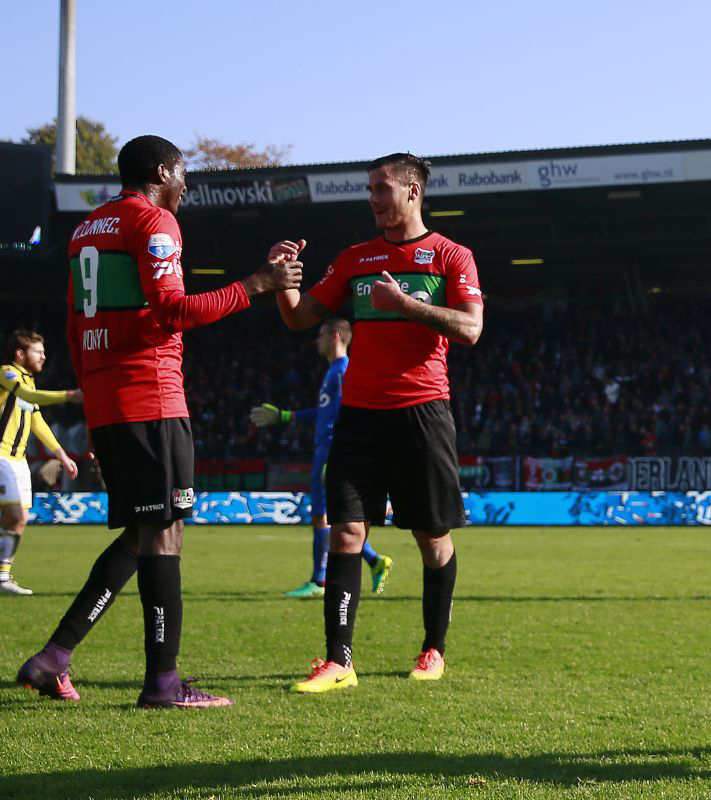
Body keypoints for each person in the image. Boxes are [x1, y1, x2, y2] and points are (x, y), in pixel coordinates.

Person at [16, 135, 300, 708]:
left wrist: (94, 410)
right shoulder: (154, 223)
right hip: (150, 396)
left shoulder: (85, 229)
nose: (187, 185)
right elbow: (172, 311)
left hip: (110, 398)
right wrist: (257, 285)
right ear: (163, 171)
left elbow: (73, 326)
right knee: (166, 528)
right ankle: (163, 684)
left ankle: (52, 659)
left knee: (144, 531)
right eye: (184, 174)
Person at [270, 152, 483, 691]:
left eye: (381, 189)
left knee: (432, 540)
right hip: (360, 416)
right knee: (345, 532)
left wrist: (406, 304)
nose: (372, 199)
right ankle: (338, 661)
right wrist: (281, 280)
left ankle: (433, 649)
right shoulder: (356, 259)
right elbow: (299, 317)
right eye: (369, 190)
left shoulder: (451, 257)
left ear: (413, 191)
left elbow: (471, 329)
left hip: (422, 412)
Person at [249, 318, 393, 597]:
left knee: (324, 516)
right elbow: (324, 412)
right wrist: (286, 416)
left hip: (331, 451)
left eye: (321, 335)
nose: (317, 341)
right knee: (326, 516)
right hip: (324, 449)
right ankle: (375, 561)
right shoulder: (333, 372)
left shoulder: (342, 372)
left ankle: (320, 580)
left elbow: (348, 413)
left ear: (335, 336)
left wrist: (341, 452)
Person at [0, 331, 83, 594]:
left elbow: (37, 421)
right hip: (1, 455)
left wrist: (62, 454)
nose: (44, 357)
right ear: (19, 354)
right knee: (13, 514)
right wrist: (69, 395)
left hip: (19, 459)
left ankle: (3, 577)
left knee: (21, 517)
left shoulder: (31, 382)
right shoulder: (7, 373)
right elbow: (28, 395)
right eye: (38, 352)